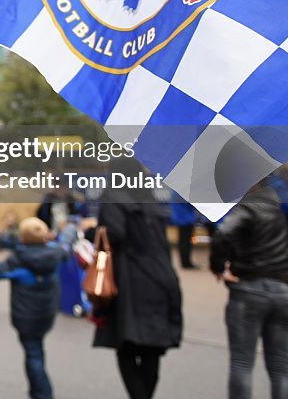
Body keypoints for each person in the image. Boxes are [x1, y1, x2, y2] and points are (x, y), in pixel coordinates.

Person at [92, 156, 182, 399]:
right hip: (161, 277)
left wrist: (95, 231)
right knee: (152, 348)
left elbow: (116, 234)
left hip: (129, 280)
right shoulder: (150, 198)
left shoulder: (113, 197)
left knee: (126, 346)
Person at [209, 181, 288, 399]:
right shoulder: (276, 207)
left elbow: (223, 234)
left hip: (250, 289)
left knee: (241, 363)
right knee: (281, 367)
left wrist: (218, 267)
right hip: (284, 289)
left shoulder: (247, 207)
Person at [0, 217, 71, 399]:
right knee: (38, 349)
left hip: (25, 317)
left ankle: (42, 393)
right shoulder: (55, 254)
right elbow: (66, 247)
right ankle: (38, 391)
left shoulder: (18, 260)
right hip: (47, 313)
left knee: (33, 353)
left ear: (22, 238)